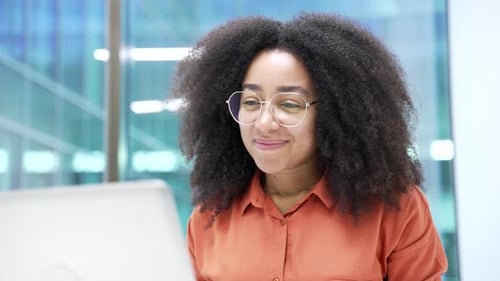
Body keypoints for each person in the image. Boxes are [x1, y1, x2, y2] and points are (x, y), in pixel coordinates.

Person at [172, 12, 448, 281]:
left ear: (335, 114)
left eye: (290, 104)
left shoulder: (394, 208)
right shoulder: (210, 215)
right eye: (251, 102)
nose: (264, 123)